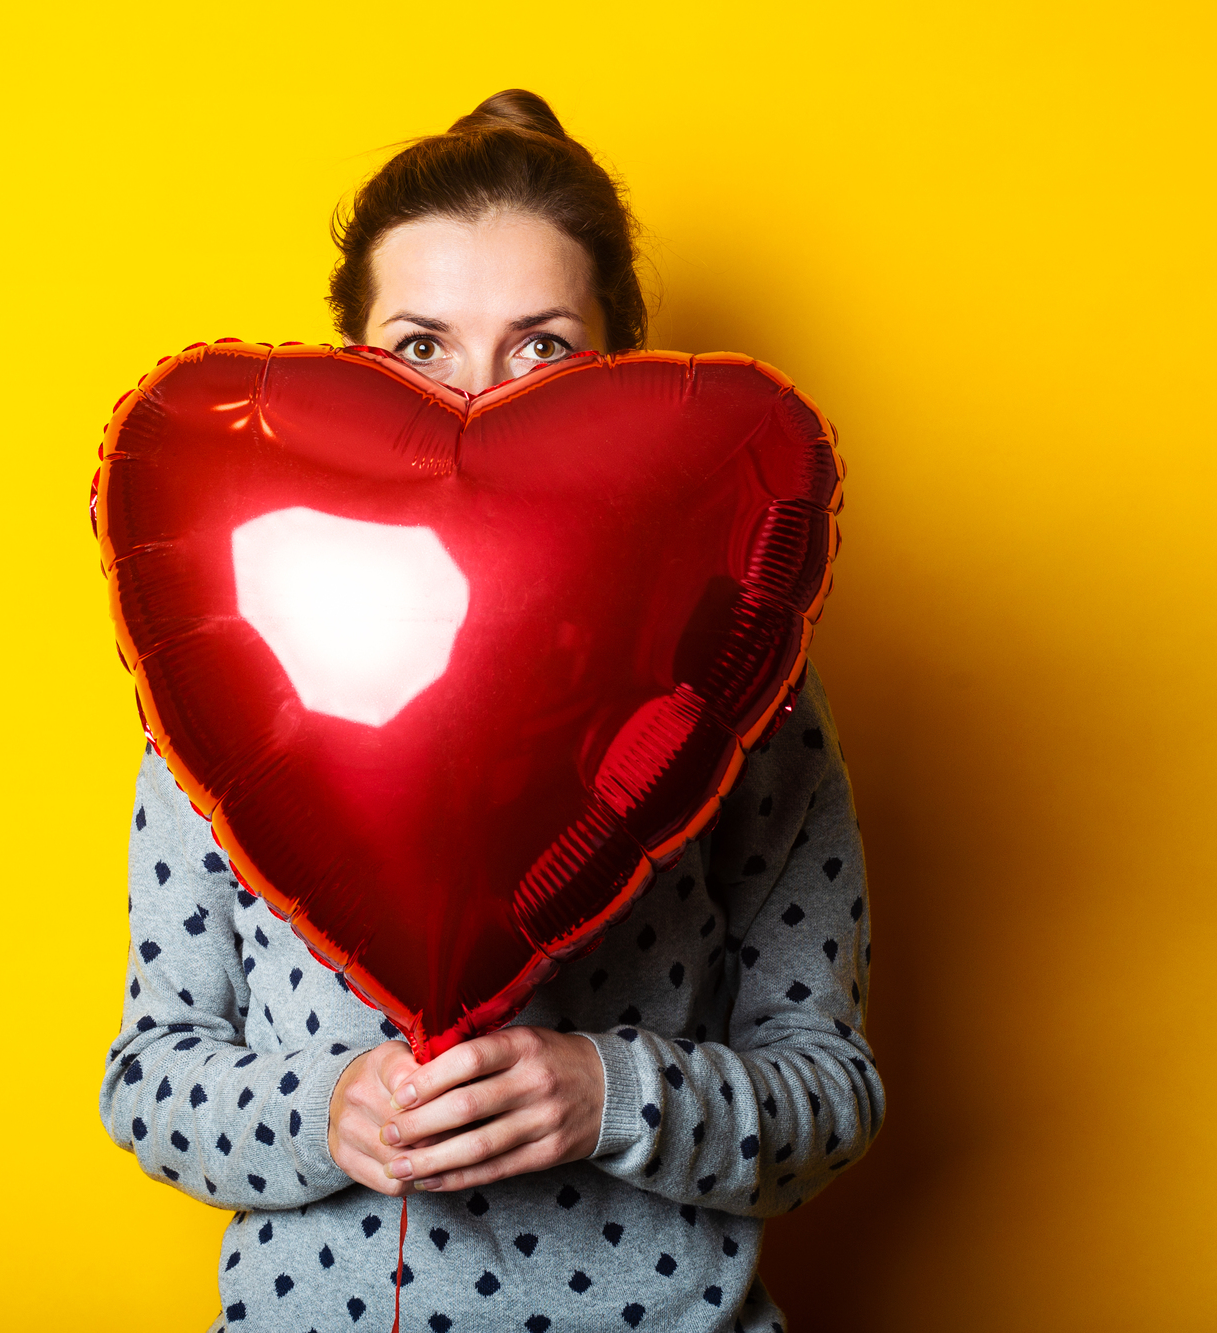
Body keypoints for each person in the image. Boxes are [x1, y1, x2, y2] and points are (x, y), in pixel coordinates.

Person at [100, 89, 884, 1332]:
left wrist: (611, 1091)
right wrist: (321, 1112)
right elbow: (150, 1073)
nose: (475, 400)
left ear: (616, 369)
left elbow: (830, 1093)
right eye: (421, 344)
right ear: (347, 363)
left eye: (540, 345)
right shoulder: (222, 676)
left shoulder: (738, 678)